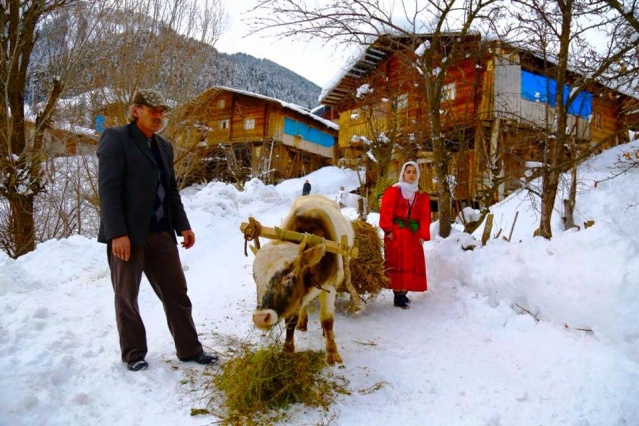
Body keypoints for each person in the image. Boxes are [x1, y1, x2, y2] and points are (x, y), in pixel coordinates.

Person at [97, 89, 217, 371]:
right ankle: (134, 354)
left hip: (162, 233)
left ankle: (189, 350)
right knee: (127, 296)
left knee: (177, 292)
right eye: (154, 110)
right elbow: (108, 190)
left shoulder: (163, 147)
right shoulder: (116, 139)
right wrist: (117, 233)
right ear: (136, 110)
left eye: (163, 111)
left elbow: (171, 190)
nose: (159, 115)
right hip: (128, 236)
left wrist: (183, 224)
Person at [379, 161, 431, 309]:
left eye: (414, 172)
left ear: (418, 175)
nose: (411, 175)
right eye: (408, 171)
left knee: (410, 262)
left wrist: (423, 234)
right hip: (395, 233)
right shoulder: (394, 191)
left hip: (412, 235)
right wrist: (388, 230)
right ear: (403, 173)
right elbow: (386, 211)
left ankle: (404, 294)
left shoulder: (421, 195)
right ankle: (398, 296)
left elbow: (425, 216)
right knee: (397, 261)